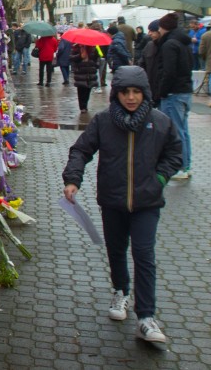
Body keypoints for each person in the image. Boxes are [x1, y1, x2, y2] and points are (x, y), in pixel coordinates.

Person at [62, 66, 183, 345]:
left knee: (144, 254)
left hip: (147, 202)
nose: (131, 98)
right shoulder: (104, 121)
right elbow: (81, 150)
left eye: (136, 92)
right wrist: (73, 179)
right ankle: (120, 291)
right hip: (113, 200)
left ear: (144, 93)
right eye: (125, 92)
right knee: (116, 250)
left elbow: (175, 154)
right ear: (116, 94)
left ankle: (146, 317)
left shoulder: (160, 121)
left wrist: (160, 178)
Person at [155, 12, 194, 180]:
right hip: (185, 91)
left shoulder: (169, 44)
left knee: (176, 132)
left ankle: (180, 167)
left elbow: (168, 72)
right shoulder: (183, 42)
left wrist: (161, 92)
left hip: (174, 93)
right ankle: (186, 165)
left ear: (163, 28)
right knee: (183, 131)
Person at [137, 20, 163, 106]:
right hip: (150, 87)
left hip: (163, 90)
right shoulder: (149, 45)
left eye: (152, 31)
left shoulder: (167, 46)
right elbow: (141, 63)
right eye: (149, 31)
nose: (149, 34)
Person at [71, 44, 100, 112]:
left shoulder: (95, 47)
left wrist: (95, 64)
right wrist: (80, 56)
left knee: (88, 90)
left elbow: (98, 57)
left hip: (90, 73)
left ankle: (85, 104)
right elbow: (71, 58)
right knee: (81, 90)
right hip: (80, 73)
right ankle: (82, 107)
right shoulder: (76, 47)